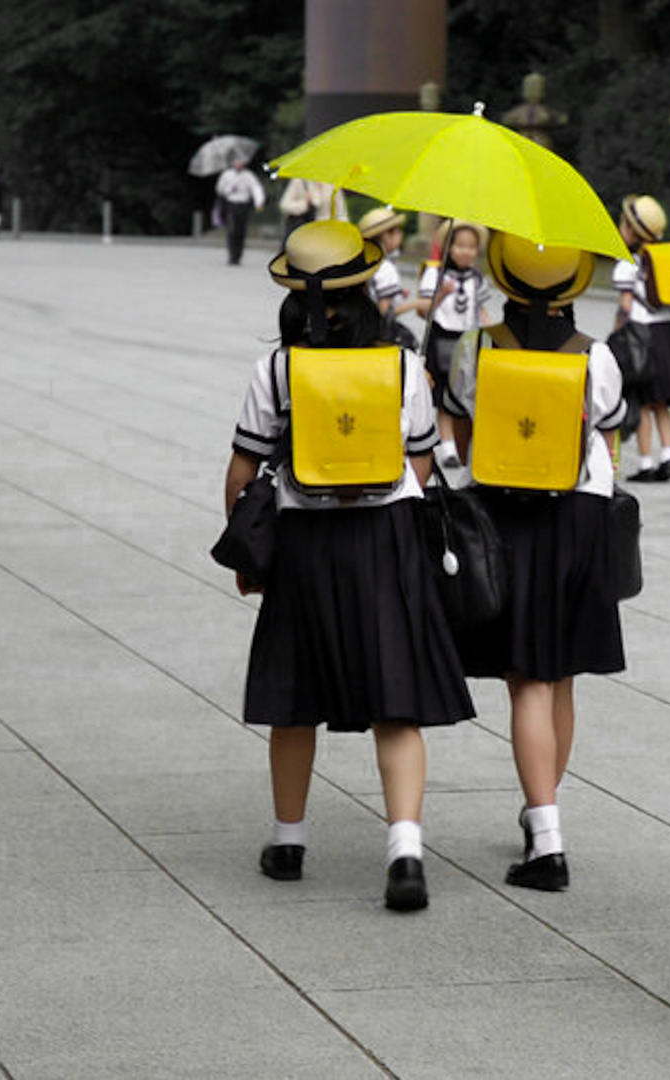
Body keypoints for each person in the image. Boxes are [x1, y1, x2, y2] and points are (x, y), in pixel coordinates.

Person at [223, 219, 474, 911]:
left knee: (294, 696)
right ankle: (404, 849)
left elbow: (244, 467)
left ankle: (287, 839)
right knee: (396, 702)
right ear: (364, 287)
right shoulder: (400, 365)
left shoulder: (276, 368)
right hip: (385, 537)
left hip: (304, 542)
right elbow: (420, 460)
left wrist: (249, 553)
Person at [443, 231, 626, 892]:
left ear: (504, 275)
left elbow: (460, 435)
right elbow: (605, 438)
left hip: (502, 515)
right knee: (560, 673)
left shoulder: (478, 345)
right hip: (576, 517)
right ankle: (540, 808)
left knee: (527, 679)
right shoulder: (595, 354)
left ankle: (547, 839)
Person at [612, 195, 670, 482]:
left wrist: (616, 336)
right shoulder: (669, 260)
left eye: (624, 224)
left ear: (634, 231)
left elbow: (625, 307)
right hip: (669, 337)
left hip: (642, 337)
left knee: (644, 402)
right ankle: (668, 455)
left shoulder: (627, 265)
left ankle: (646, 463)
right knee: (664, 403)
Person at [416, 219, 493, 466]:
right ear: (449, 247)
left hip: (467, 339)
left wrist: (490, 330)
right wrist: (442, 294)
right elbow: (423, 310)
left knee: (466, 391)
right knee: (442, 394)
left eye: (471, 247)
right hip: (441, 335)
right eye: (459, 245)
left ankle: (466, 444)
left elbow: (480, 310)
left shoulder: (478, 279)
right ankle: (447, 446)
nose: (465, 251)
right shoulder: (435, 274)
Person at [357, 205, 418, 349]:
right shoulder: (386, 268)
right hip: (379, 334)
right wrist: (417, 304)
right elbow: (383, 312)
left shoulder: (366, 264)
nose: (399, 235)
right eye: (396, 231)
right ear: (384, 237)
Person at [214, 155, 266, 265]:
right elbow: (220, 189)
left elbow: (256, 188)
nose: (239, 164)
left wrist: (259, 202)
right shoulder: (227, 175)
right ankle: (232, 254)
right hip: (231, 204)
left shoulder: (248, 176)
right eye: (237, 162)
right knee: (232, 230)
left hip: (243, 205)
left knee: (240, 230)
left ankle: (238, 254)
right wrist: (230, 189)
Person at [279, 178, 344, 238]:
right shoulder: (300, 181)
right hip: (305, 233)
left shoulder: (333, 183)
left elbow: (341, 213)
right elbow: (284, 206)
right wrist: (304, 203)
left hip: (327, 234)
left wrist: (343, 233)